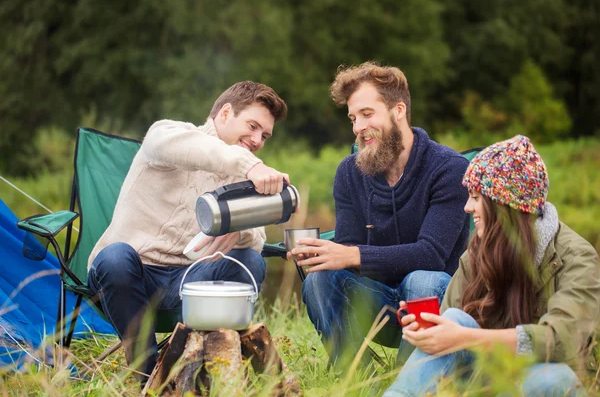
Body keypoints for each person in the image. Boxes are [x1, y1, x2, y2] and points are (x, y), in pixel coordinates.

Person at [87, 81, 289, 378]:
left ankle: (201, 365)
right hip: (131, 276)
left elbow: (257, 238)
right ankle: (145, 373)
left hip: (190, 282)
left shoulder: (243, 174)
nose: (258, 140)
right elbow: (197, 149)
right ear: (225, 113)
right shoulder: (166, 134)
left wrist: (241, 230)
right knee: (115, 257)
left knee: (249, 261)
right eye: (253, 126)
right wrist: (250, 165)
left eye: (265, 135)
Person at [385, 135, 600, 397]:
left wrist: (463, 338)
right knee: (453, 319)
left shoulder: (576, 258)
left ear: (505, 206)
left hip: (547, 378)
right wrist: (429, 330)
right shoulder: (479, 251)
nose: (467, 207)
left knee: (549, 380)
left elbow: (562, 340)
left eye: (476, 197)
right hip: (491, 378)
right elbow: (451, 323)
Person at [289, 62, 470, 368]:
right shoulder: (350, 172)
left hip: (438, 305)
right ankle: (357, 379)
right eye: (353, 118)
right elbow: (346, 256)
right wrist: (325, 257)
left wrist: (352, 255)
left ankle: (410, 378)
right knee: (318, 281)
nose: (358, 127)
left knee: (422, 280)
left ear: (398, 110)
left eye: (367, 114)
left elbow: (432, 256)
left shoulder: (449, 169)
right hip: (377, 304)